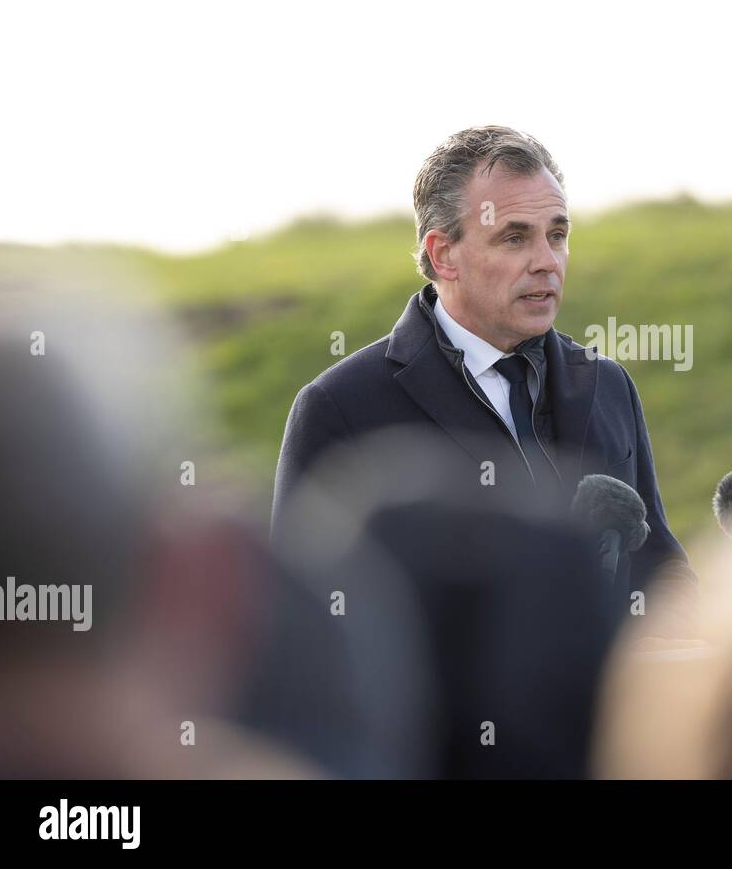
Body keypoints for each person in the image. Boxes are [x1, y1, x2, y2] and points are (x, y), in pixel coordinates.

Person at [272, 125, 698, 639]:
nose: (546, 262)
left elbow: (656, 563)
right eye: (514, 238)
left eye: (557, 235)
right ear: (443, 254)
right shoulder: (341, 406)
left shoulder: (609, 386)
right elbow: (305, 630)